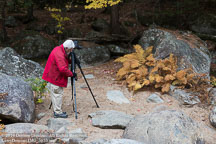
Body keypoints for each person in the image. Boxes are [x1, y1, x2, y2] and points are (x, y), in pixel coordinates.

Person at [42, 40, 77, 118]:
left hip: (53, 75)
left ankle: (57, 110)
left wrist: (71, 61)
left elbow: (65, 58)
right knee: (57, 94)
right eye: (71, 49)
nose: (71, 51)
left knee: (56, 94)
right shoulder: (59, 54)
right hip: (55, 77)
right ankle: (57, 112)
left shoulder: (59, 49)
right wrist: (72, 74)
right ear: (67, 48)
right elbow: (63, 69)